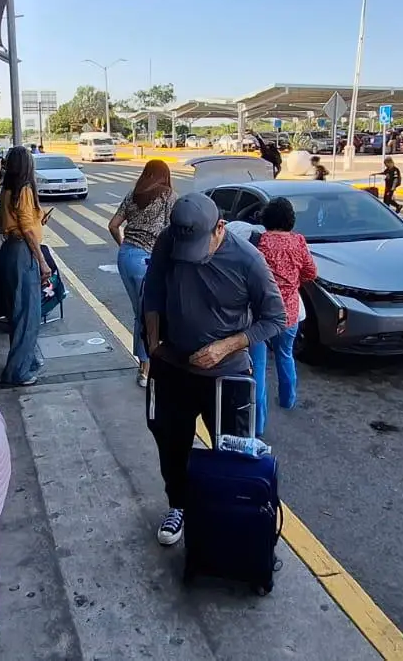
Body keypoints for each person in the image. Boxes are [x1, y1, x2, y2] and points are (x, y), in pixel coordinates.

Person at [141, 193, 287, 546]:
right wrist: (154, 345)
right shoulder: (169, 240)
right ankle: (178, 505)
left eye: (198, 247)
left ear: (220, 227)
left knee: (232, 452)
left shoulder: (249, 261)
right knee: (172, 444)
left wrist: (226, 346)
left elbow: (276, 318)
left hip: (227, 376)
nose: (190, 256)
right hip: (174, 368)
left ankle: (228, 517)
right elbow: (154, 292)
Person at [246, 198, 315, 435]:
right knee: (286, 355)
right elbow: (311, 272)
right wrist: (291, 284)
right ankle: (287, 399)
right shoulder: (298, 242)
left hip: (260, 314)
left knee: (258, 368)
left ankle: (258, 425)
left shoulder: (259, 242)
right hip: (289, 312)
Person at [107, 159, 176, 388]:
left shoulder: (133, 194)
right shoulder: (168, 196)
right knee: (148, 314)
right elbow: (171, 231)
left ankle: (145, 364)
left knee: (141, 313)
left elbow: (113, 225)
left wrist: (124, 246)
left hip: (125, 257)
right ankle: (145, 369)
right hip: (146, 261)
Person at [0, 147, 51, 386]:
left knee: (16, 312)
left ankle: (25, 360)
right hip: (23, 253)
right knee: (28, 314)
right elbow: (27, 230)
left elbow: (23, 222)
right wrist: (42, 262)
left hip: (10, 251)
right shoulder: (25, 189)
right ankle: (18, 372)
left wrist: (39, 219)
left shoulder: (7, 190)